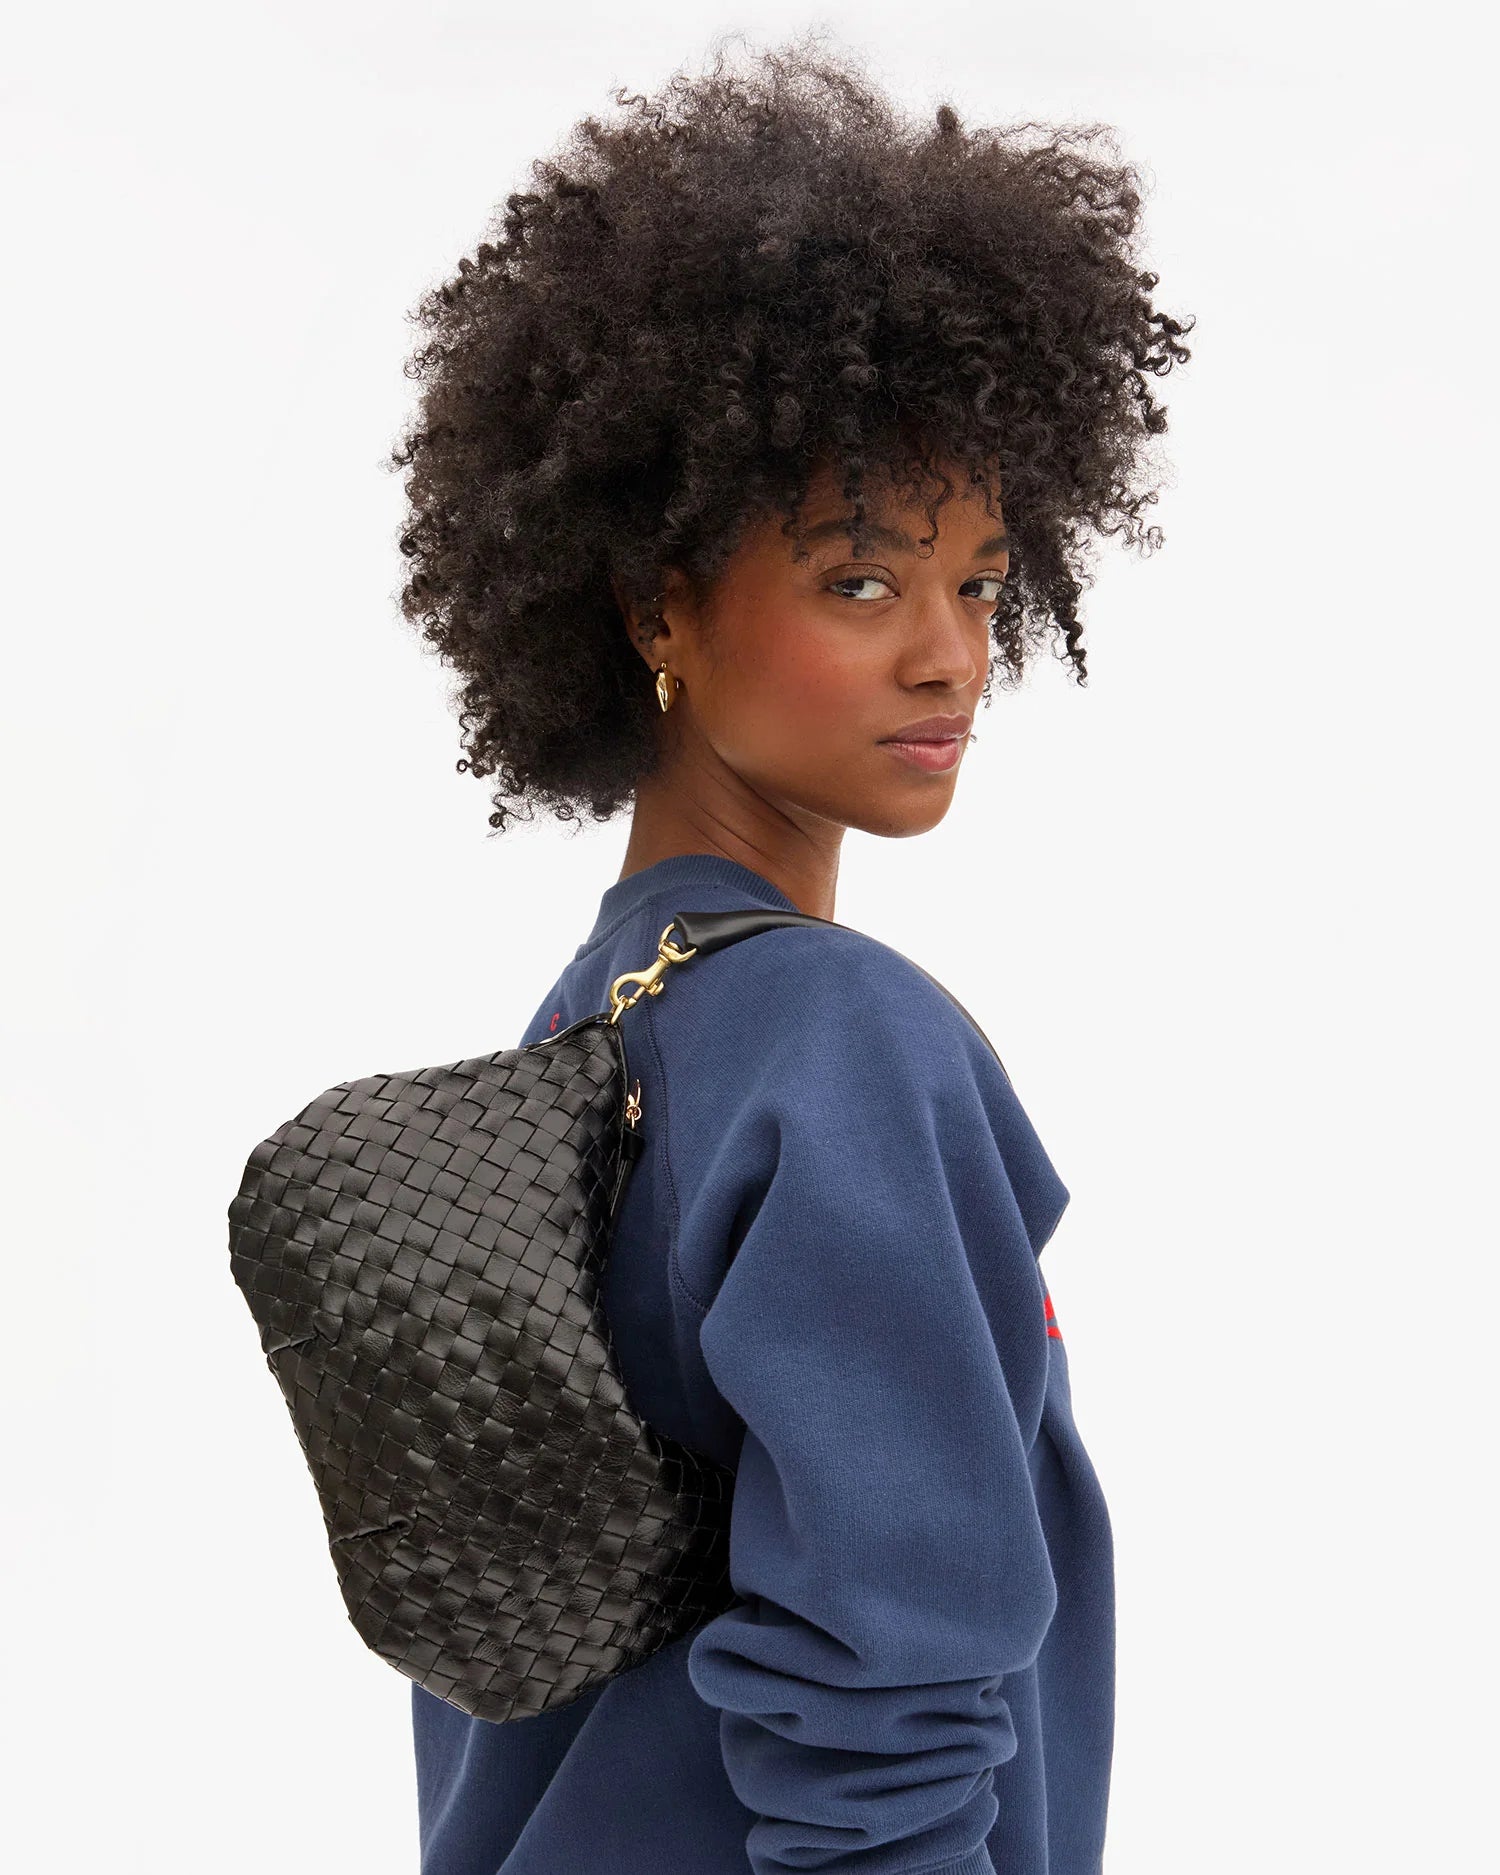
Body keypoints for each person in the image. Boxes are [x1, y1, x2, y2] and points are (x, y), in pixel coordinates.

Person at [392, 32, 1192, 1875]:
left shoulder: (594, 1024)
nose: (950, 656)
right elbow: (890, 1694)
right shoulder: (839, 1043)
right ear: (659, 601)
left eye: (981, 583)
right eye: (859, 579)